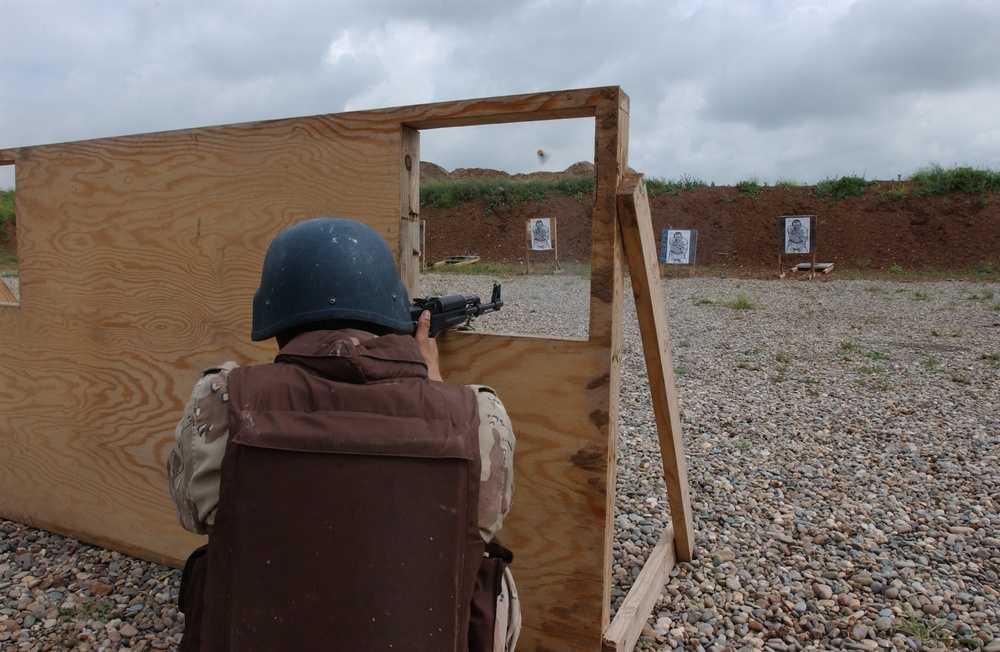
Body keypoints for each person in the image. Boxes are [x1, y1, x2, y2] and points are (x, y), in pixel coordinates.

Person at [167, 217, 520, 651]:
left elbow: (191, 514)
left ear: (274, 315)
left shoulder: (221, 400)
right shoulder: (479, 415)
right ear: (391, 309)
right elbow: (481, 522)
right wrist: (433, 390)